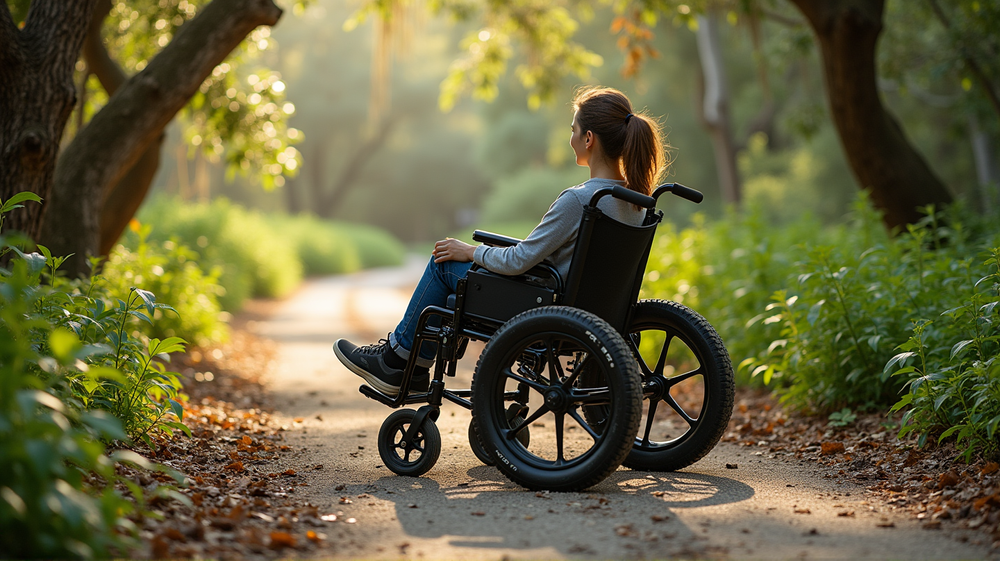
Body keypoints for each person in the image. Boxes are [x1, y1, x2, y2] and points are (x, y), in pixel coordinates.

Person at [333, 86, 667, 396]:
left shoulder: (580, 200)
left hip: (542, 304)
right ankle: (414, 367)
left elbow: (520, 261)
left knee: (444, 263)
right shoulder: (636, 203)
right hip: (591, 311)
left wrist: (470, 251)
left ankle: (396, 360)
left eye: (572, 130)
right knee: (456, 283)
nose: (571, 138)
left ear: (589, 138)